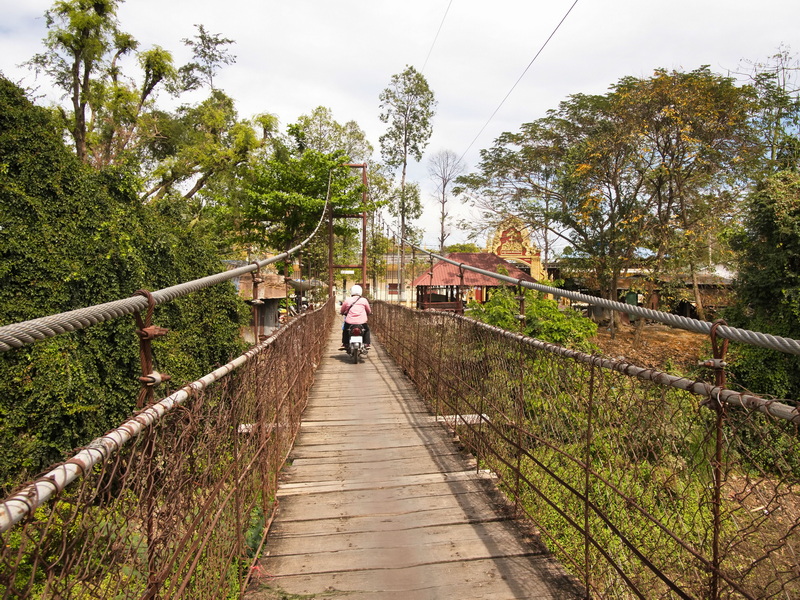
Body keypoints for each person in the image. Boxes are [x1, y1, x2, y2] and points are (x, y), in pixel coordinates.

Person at [340, 284, 371, 350]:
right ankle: (367, 343)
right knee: (367, 330)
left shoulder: (347, 300)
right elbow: (368, 310)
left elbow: (342, 310)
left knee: (345, 330)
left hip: (349, 322)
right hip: (362, 322)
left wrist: (342, 313)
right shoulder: (364, 300)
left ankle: (345, 343)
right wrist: (368, 313)